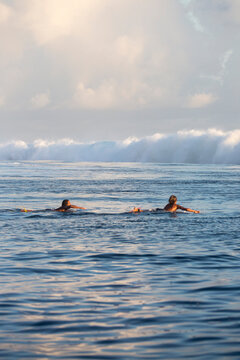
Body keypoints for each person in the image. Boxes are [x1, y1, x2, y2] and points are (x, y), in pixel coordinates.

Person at [21, 199, 86, 212]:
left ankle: (26, 210)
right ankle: (26, 211)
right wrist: (81, 207)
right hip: (53, 211)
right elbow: (71, 206)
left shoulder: (63, 208)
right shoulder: (65, 207)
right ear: (67, 204)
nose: (70, 204)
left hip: (51, 210)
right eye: (69, 203)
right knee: (37, 211)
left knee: (37, 210)